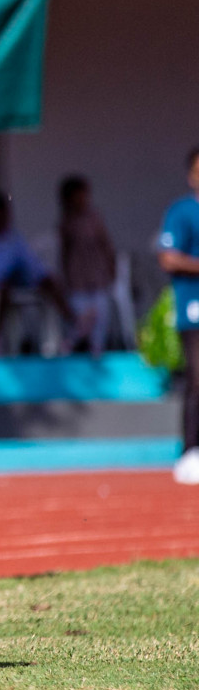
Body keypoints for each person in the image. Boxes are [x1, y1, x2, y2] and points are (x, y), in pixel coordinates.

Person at [0, 192, 72, 354]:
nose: (2, 219)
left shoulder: (14, 238)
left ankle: (71, 325)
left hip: (21, 278)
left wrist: (40, 273)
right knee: (4, 287)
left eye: (4, 215)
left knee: (48, 281)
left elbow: (30, 262)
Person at [158, 146, 199, 484]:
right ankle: (191, 450)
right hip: (194, 308)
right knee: (198, 378)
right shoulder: (182, 212)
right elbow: (169, 258)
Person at [58, 175, 117, 357]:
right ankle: (70, 348)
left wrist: (111, 268)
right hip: (77, 280)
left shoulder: (95, 219)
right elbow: (64, 253)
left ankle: (97, 354)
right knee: (81, 320)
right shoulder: (66, 223)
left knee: (100, 317)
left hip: (97, 277)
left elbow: (107, 246)